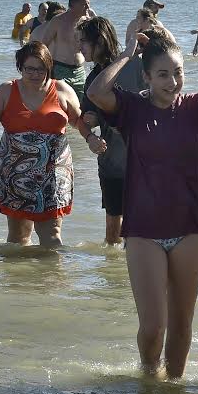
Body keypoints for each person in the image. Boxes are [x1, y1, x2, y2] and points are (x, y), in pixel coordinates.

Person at [85, 30, 198, 378]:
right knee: (153, 328)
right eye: (163, 74)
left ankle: (174, 393)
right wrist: (127, 55)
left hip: (189, 229)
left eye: (178, 72)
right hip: (142, 232)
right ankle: (149, 380)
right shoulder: (132, 107)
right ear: (147, 77)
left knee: (181, 327)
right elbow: (95, 93)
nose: (173, 81)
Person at [0, 40, 105, 248]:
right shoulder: (6, 90)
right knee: (18, 239)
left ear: (49, 68)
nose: (35, 74)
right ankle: (20, 281)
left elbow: (78, 121)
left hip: (53, 174)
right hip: (16, 175)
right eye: (29, 69)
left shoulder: (62, 89)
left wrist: (91, 138)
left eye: (40, 69)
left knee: (52, 236)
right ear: (20, 67)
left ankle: (51, 279)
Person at [79, 16, 141, 245]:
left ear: (101, 41)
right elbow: (85, 120)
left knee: (140, 230)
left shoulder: (136, 65)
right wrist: (90, 135)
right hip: (111, 164)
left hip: (143, 164)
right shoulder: (93, 78)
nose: (79, 47)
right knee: (112, 234)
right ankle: (113, 276)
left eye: (83, 41)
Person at [32, 0, 94, 98]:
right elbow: (43, 45)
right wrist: (41, 67)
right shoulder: (58, 21)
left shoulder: (86, 22)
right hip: (60, 69)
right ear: (73, 5)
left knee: (81, 104)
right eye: (84, 4)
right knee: (61, 102)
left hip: (79, 71)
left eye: (88, 3)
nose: (88, 6)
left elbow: (97, 42)